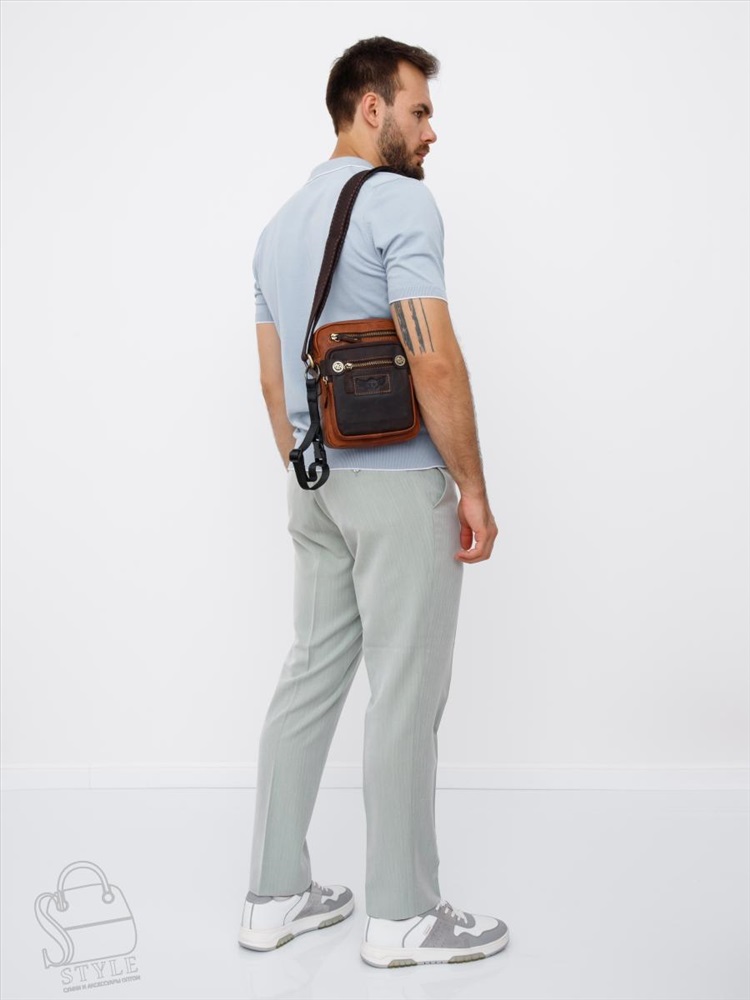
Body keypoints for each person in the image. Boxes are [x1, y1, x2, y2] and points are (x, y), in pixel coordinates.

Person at [237, 36, 509, 969]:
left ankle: (273, 896)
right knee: (405, 694)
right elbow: (431, 355)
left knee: (309, 676)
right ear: (370, 108)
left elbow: (273, 384)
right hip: (398, 487)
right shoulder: (399, 201)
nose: (431, 131)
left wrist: (309, 472)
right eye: (419, 110)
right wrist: (472, 486)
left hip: (313, 485)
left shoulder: (277, 229)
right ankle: (402, 916)